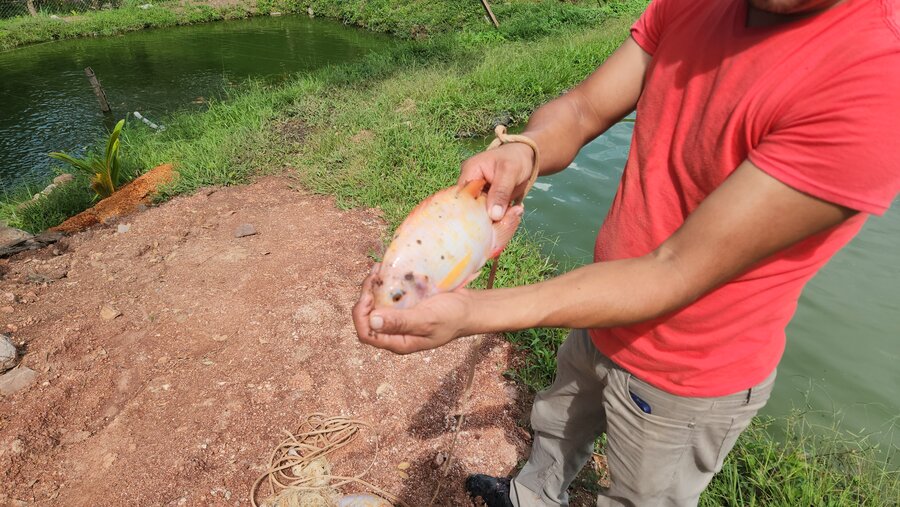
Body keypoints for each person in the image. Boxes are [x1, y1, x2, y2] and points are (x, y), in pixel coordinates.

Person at [352, 0, 900, 505]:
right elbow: (586, 107)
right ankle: (533, 497)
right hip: (597, 305)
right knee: (557, 424)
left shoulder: (874, 82)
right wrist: (527, 148)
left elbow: (674, 271)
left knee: (643, 495)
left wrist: (474, 313)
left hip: (689, 369)